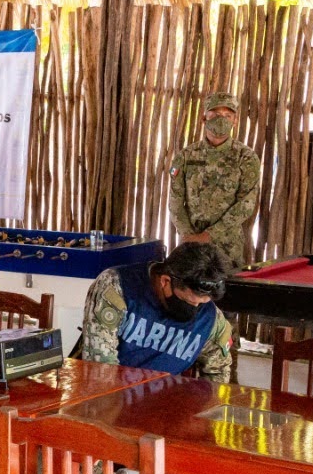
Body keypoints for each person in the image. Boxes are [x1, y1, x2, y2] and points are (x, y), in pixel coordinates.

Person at [82, 242, 232, 382]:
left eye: (202, 303)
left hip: (167, 401)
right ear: (166, 281)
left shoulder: (210, 319)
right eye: (190, 302)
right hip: (112, 396)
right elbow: (100, 370)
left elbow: (218, 372)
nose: (196, 308)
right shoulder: (117, 288)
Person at [168, 92, 262, 269]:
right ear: (204, 118)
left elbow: (246, 205)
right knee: (189, 292)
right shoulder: (186, 156)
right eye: (216, 115)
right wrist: (190, 237)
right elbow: (175, 201)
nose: (222, 120)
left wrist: (208, 236)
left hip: (227, 248)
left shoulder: (246, 158)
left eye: (228, 116)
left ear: (235, 121)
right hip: (191, 246)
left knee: (225, 294)